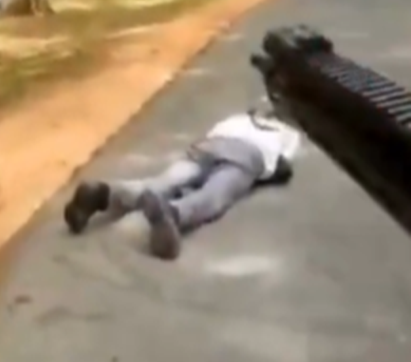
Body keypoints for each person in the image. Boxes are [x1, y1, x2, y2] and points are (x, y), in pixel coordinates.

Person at [63, 104, 303, 260]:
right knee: (211, 197)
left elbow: (213, 132)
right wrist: (263, 176)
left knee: (164, 182)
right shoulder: (289, 133)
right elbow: (283, 168)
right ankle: (173, 214)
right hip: (247, 158)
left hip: (208, 146)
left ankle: (105, 193)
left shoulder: (238, 117)